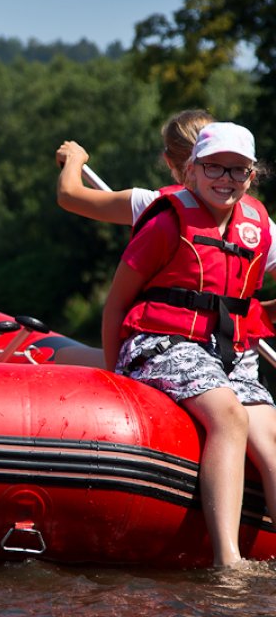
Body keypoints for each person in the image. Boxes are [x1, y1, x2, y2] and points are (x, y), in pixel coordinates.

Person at [101, 122, 276, 566]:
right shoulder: (166, 222)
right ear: (192, 170)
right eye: (215, 167)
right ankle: (228, 562)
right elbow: (116, 304)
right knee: (229, 416)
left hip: (230, 352)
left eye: (237, 170)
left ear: (251, 176)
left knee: (270, 435)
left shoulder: (258, 226)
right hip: (160, 343)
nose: (226, 179)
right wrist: (113, 375)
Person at [54, 109, 275, 368]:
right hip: (211, 356)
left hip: (170, 348)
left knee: (83, 357)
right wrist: (252, 312)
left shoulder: (151, 203)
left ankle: (47, 357)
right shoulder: (259, 226)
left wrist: (74, 158)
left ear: (168, 161)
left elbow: (69, 195)